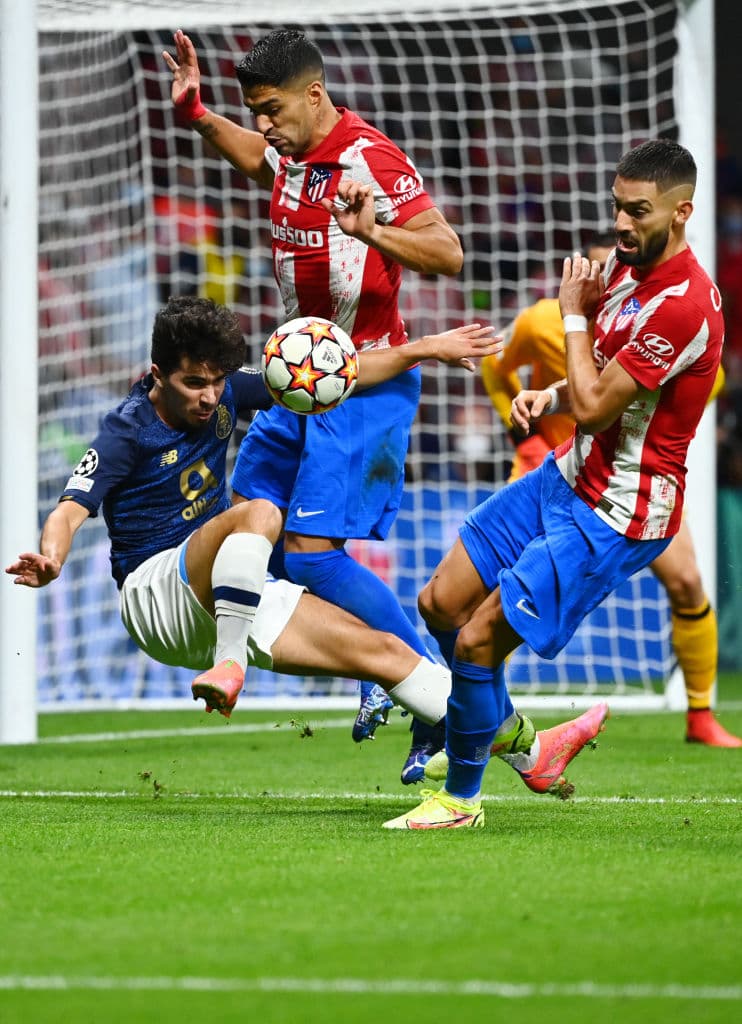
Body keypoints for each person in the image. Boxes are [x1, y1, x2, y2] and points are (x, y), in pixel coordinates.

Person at [384, 139, 726, 829]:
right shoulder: (626, 277)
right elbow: (601, 390)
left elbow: (603, 404)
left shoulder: (685, 305)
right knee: (440, 602)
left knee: (480, 642)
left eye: (638, 211)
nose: (622, 224)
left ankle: (461, 801)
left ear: (682, 211)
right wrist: (551, 395)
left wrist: (572, 312)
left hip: (616, 512)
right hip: (566, 474)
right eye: (617, 207)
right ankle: (528, 747)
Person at [162, 28, 463, 769]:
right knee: (251, 531)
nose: (263, 124)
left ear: (314, 95)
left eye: (270, 109)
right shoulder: (291, 153)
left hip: (361, 379)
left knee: (311, 551)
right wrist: (201, 114)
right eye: (255, 111)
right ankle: (381, 672)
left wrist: (376, 230)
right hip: (299, 381)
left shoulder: (369, 158)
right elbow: (253, 153)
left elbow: (449, 252)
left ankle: (429, 690)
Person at [7, 296, 504, 725]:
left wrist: (425, 348)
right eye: (194, 382)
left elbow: (338, 375)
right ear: (157, 374)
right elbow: (70, 510)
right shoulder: (126, 430)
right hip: (154, 596)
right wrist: (52, 558)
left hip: (227, 594)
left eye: (218, 381)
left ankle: (522, 745)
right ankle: (230, 664)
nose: (209, 397)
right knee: (262, 512)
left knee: (385, 655)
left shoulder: (226, 392)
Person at [480, 238, 740, 748]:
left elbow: (702, 389)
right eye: (598, 270)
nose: (608, 282)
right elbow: (496, 368)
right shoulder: (542, 321)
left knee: (688, 582)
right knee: (490, 595)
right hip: (550, 469)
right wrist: (525, 439)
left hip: (627, 485)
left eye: (614, 272)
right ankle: (489, 714)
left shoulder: (659, 327)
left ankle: (701, 717)